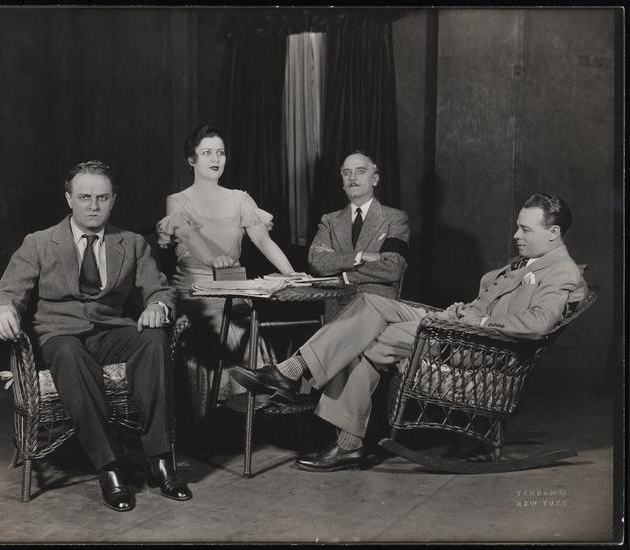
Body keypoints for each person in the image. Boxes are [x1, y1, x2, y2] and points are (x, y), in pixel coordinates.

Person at [230, 193, 587, 472]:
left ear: (553, 232)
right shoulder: (530, 261)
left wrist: (478, 323)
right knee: (369, 303)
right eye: (518, 227)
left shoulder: (561, 272)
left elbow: (538, 323)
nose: (516, 235)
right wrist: (464, 312)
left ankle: (339, 432)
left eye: (525, 229)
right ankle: (290, 372)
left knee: (364, 339)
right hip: (452, 322)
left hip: (471, 342)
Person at [0, 160, 191, 512]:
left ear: (113, 200)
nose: (93, 206)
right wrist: (2, 310)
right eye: (84, 197)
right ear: (69, 199)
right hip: (59, 334)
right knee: (68, 354)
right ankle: (109, 466)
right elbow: (7, 292)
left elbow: (160, 290)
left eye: (102, 198)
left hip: (111, 331)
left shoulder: (132, 243)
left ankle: (159, 459)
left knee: (154, 339)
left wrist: (157, 306)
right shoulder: (39, 243)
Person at [156, 125, 296, 420]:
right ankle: (212, 411)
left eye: (220, 153)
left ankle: (251, 406)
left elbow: (263, 241)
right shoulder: (178, 200)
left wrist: (291, 273)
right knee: (226, 329)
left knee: (248, 326)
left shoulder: (239, 198)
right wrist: (213, 259)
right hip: (195, 286)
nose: (215, 159)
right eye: (206, 153)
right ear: (192, 159)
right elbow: (188, 236)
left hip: (234, 285)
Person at [309, 151, 410, 302]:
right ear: (343, 184)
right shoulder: (329, 220)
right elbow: (317, 262)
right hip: (337, 304)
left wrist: (342, 273)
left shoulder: (395, 218)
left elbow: (393, 267)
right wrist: (361, 257)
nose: (352, 178)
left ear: (374, 179)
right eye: (346, 173)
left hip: (377, 303)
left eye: (360, 171)